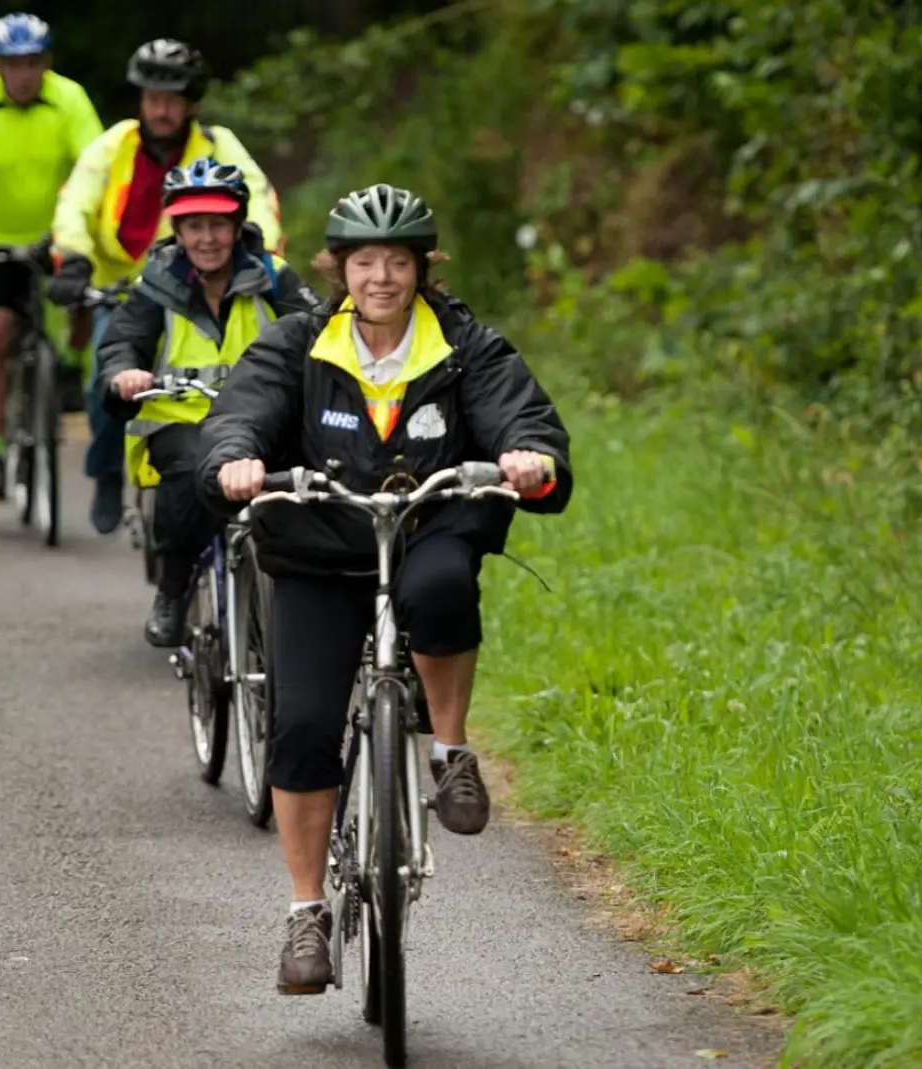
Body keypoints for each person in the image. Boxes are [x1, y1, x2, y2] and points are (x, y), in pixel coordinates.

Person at [198, 184, 572, 993]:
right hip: (320, 548)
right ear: (338, 268)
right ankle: (306, 914)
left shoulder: (466, 345)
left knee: (440, 588)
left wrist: (529, 456)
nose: (380, 277)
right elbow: (242, 410)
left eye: (397, 261)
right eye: (364, 261)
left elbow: (523, 417)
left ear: (423, 268)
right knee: (300, 726)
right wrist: (236, 457)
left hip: (427, 528)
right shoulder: (298, 344)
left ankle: (449, 749)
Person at [51, 38, 286, 537]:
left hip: (207, 280)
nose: (160, 109)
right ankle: (107, 472)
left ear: (190, 102)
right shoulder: (115, 144)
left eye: (172, 98)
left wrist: (257, 246)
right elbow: (77, 202)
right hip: (126, 286)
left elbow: (259, 195)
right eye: (151, 97)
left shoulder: (219, 146)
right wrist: (73, 258)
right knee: (106, 377)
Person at [94, 159, 316, 646]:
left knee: (307, 485)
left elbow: (323, 336)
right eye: (195, 226)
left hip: (263, 423)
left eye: (218, 224)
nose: (207, 238)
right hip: (180, 421)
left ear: (238, 225)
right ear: (178, 229)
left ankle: (306, 605)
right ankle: (172, 591)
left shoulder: (274, 277)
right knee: (195, 471)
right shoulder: (155, 284)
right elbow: (121, 343)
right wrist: (123, 375)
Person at [0, 13, 104, 501]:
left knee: (85, 293)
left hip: (58, 233)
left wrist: (86, 228)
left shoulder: (70, 99)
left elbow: (95, 166)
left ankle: (73, 365)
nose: (24, 73)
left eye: (32, 63)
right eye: (13, 64)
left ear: (46, 63)